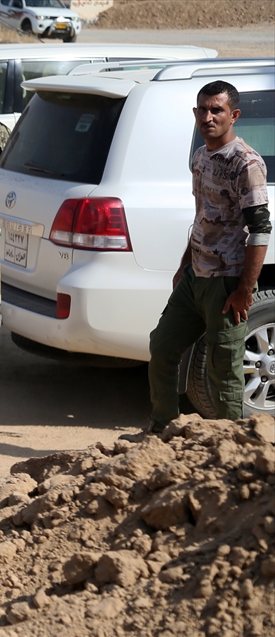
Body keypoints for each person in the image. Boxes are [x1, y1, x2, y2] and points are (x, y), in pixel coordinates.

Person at [146, 81, 270, 432]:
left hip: (226, 280)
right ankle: (162, 428)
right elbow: (201, 215)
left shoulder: (245, 163)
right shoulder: (200, 156)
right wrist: (185, 263)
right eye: (203, 109)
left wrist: (245, 290)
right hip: (195, 275)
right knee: (163, 345)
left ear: (234, 115)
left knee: (223, 366)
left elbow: (260, 230)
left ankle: (229, 444)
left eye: (217, 110)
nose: (208, 116)